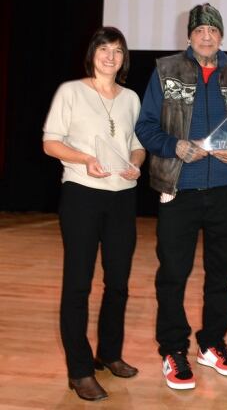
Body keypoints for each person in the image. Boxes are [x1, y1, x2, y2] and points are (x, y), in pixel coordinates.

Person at [134, 3, 227, 390]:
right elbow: (146, 126)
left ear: (221, 36)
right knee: (173, 275)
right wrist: (176, 147)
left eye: (213, 30)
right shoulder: (166, 70)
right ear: (189, 36)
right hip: (179, 189)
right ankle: (173, 350)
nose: (207, 36)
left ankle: (211, 344)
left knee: (221, 277)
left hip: (226, 190)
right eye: (199, 30)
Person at [42, 26, 145, 401]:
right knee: (78, 284)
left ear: (124, 58)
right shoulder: (71, 91)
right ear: (93, 53)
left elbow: (136, 144)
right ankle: (80, 370)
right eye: (104, 48)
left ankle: (110, 353)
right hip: (82, 195)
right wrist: (86, 159)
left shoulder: (131, 98)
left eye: (118, 50)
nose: (110, 56)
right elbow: (50, 142)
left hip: (122, 197)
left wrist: (136, 163)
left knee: (118, 282)